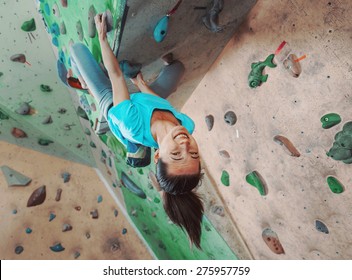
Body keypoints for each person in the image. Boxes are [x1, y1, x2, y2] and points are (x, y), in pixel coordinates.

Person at [69, 12, 204, 248]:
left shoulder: (131, 123)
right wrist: (141, 84)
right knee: (178, 68)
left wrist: (102, 36)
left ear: (159, 155)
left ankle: (116, 129)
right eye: (193, 154)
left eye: (176, 154)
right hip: (145, 105)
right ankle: (137, 126)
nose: (185, 144)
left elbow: (116, 75)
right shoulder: (187, 127)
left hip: (116, 108)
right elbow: (164, 106)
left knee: (78, 50)